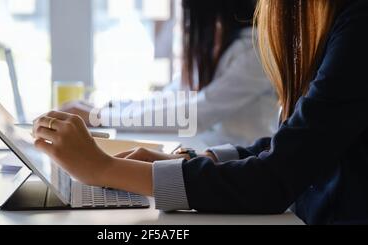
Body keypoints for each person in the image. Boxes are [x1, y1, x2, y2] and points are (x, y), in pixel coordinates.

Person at [32, 0, 368, 225]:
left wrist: (102, 166)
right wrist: (189, 159)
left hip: (265, 193)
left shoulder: (348, 27)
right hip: (251, 185)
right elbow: (289, 146)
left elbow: (197, 116)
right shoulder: (331, 24)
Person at [60, 0, 279, 146]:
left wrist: (100, 118)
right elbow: (171, 98)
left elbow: (195, 114)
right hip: (213, 152)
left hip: (246, 163)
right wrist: (106, 109)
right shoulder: (219, 42)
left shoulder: (256, 50)